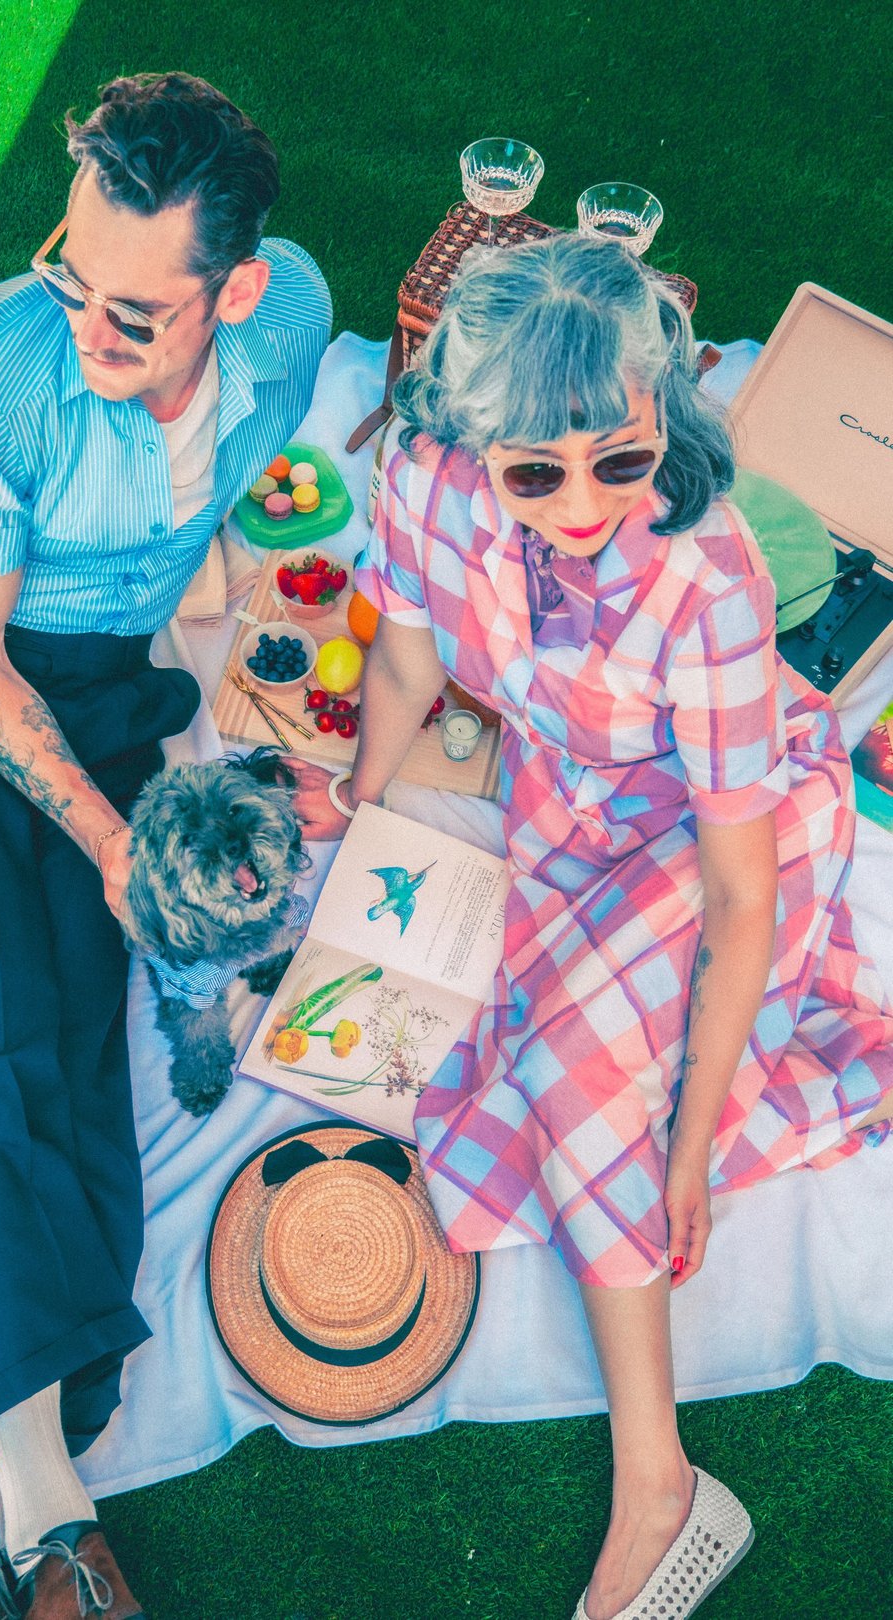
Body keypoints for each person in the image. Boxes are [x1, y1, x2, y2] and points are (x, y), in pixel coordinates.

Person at [297, 233, 893, 1620]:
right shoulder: (425, 482)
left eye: (621, 460)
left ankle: (665, 1486)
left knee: (577, 1090)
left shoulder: (713, 575)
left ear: (667, 425)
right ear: (474, 441)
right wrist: (367, 804)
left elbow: (744, 892)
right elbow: (400, 651)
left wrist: (689, 1140)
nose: (582, 505)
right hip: (566, 819)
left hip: (728, 827)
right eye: (537, 470)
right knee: (494, 1093)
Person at [0, 71, 330, 1620]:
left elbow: (257, 507)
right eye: (69, 274)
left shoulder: (293, 321)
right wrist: (118, 848)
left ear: (230, 292)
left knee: (81, 1065)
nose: (86, 327)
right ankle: (52, 1507)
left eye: (133, 315)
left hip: (110, 695)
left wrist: (268, 676)